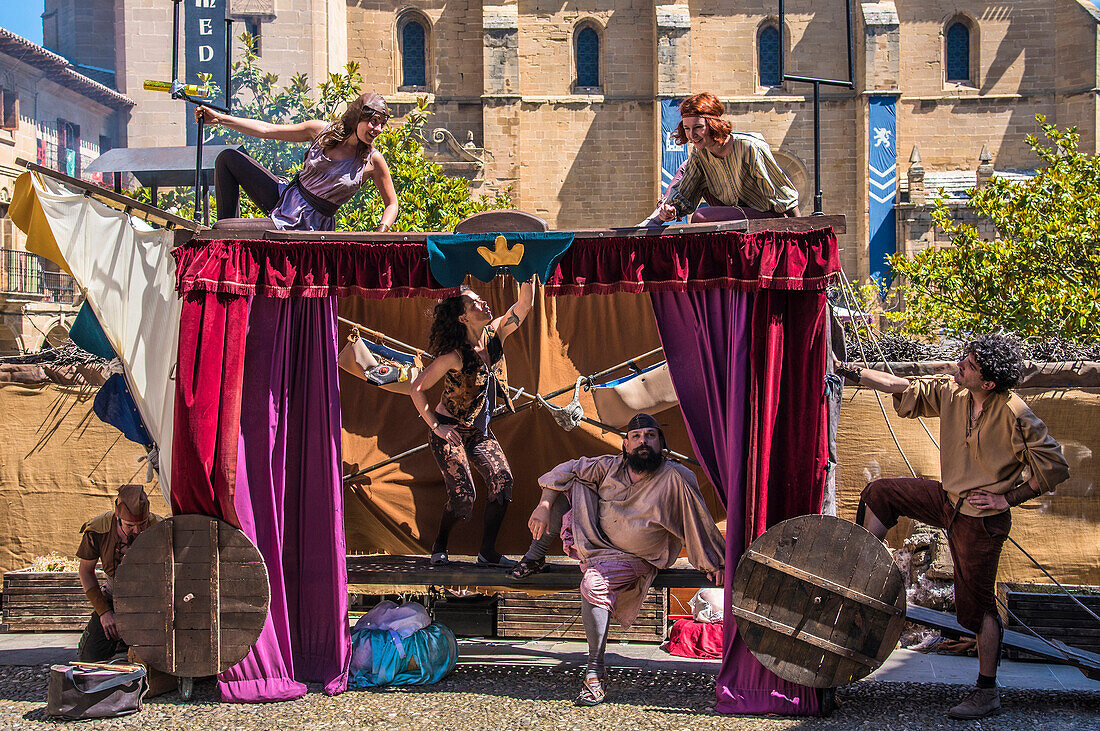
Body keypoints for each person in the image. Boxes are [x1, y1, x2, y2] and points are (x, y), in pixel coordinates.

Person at [837, 334, 1070, 720]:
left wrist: (1006, 498)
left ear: (989, 382)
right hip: (947, 500)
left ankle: (986, 692)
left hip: (981, 521)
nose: (961, 364)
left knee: (976, 612)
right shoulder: (954, 392)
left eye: (971, 364)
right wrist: (850, 371)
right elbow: (907, 387)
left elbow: (1055, 466)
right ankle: (861, 570)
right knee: (881, 493)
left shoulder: (1015, 414)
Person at [520, 413, 725, 706]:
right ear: (625, 445)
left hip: (637, 558)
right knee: (573, 481)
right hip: (595, 545)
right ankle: (533, 557)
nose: (643, 442)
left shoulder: (675, 477)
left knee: (593, 584)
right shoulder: (609, 466)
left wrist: (714, 561)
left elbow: (698, 520)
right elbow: (566, 468)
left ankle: (595, 668)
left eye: (650, 436)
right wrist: (543, 504)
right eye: (637, 437)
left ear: (661, 443)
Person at [408, 278, 536, 568]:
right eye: (475, 303)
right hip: (449, 429)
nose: (484, 303)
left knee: (502, 481)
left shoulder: (496, 334)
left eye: (482, 300)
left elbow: (524, 305)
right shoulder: (454, 356)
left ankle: (487, 552)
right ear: (463, 317)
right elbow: (417, 388)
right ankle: (440, 545)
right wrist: (435, 426)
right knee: (464, 495)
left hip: (478, 431)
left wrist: (527, 275)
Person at [195, 91, 398, 231]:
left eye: (382, 124)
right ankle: (225, 242)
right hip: (287, 195)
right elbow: (267, 130)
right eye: (373, 122)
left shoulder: (372, 160)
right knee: (228, 158)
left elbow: (392, 203)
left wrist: (381, 230)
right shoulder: (321, 131)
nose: (378, 129)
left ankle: (225, 238)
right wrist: (219, 119)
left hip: (307, 222)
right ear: (357, 117)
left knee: (222, 228)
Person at [644, 91, 800, 225]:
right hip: (731, 215)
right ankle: (655, 218)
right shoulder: (699, 155)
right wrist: (671, 210)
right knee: (685, 167)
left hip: (766, 217)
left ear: (712, 125)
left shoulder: (749, 147)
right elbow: (685, 191)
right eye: (687, 128)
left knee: (701, 217)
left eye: (698, 127)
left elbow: (784, 195)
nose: (692, 135)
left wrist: (800, 230)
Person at [76, 484, 161, 662]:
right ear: (117, 514)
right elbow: (86, 571)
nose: (137, 531)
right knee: (89, 659)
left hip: (151, 604)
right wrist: (104, 612)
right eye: (130, 526)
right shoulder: (98, 529)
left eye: (142, 524)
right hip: (113, 600)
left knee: (154, 661)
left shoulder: (160, 528)